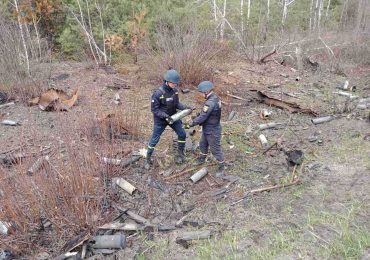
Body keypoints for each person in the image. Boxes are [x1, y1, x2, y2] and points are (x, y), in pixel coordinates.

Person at [144, 69, 191, 170]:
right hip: (160, 120)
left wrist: (185, 107)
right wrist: (165, 116)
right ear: (167, 81)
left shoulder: (175, 91)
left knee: (182, 134)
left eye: (176, 83)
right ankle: (147, 158)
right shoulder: (158, 93)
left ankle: (180, 154)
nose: (175, 85)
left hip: (173, 117)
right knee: (154, 139)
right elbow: (154, 109)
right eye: (174, 83)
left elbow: (177, 104)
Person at [184, 81, 225, 174]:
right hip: (208, 128)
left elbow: (203, 117)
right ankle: (202, 158)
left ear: (206, 92)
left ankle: (222, 166)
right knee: (203, 144)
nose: (201, 94)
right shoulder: (215, 98)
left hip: (213, 130)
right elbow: (207, 113)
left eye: (201, 93)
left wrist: (190, 124)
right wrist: (198, 114)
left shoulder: (209, 103)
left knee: (215, 149)